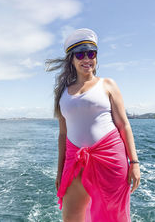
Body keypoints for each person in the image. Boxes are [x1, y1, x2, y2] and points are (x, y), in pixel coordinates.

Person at [45, 28, 140, 222]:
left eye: (91, 53)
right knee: (71, 218)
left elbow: (124, 125)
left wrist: (134, 163)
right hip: (74, 162)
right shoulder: (62, 92)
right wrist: (60, 171)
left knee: (114, 217)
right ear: (72, 59)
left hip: (110, 158)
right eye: (80, 54)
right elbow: (63, 135)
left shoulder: (107, 84)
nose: (86, 59)